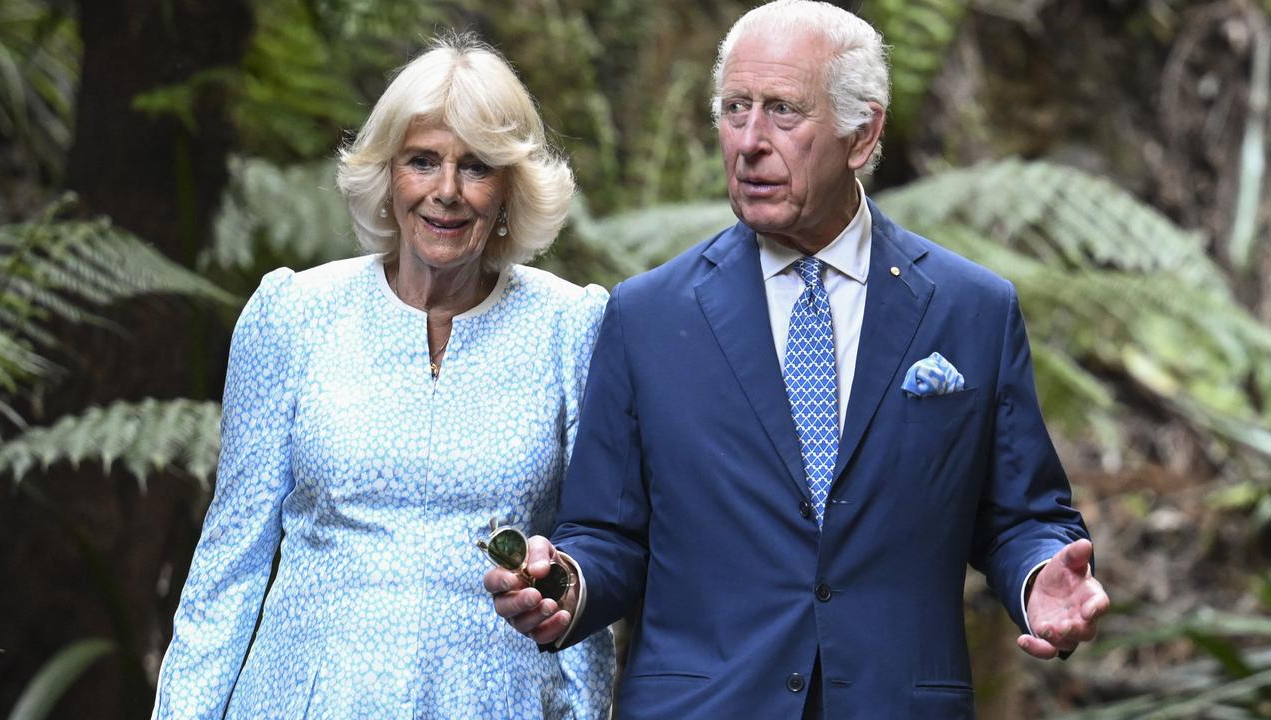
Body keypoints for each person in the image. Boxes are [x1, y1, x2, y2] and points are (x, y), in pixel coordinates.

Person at [486, 2, 1109, 718]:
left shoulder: (971, 310)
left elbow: (1021, 516)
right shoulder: (647, 316)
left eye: (783, 111)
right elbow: (607, 535)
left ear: (862, 132)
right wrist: (563, 585)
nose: (749, 141)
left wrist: (1039, 577)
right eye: (734, 109)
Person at [152, 35, 614, 719]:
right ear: (387, 173)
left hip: (495, 701)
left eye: (477, 167)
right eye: (422, 161)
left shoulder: (570, 325)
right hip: (305, 699)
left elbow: (585, 562)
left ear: (512, 186)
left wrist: (586, 709)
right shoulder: (293, 315)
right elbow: (230, 562)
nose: (446, 192)